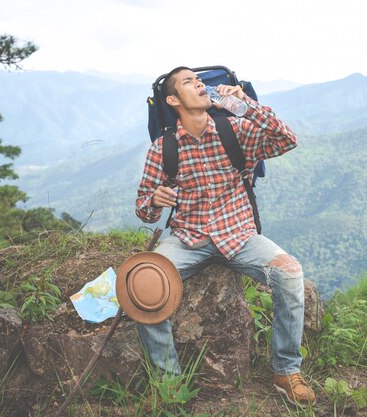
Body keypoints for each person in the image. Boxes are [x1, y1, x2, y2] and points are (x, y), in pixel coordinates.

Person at [134, 66, 315, 406]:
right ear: (173, 100)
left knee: (289, 271)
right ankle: (169, 383)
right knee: (146, 284)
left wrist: (247, 103)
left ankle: (286, 370)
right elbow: (144, 210)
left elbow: (287, 140)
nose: (199, 84)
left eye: (199, 80)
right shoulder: (163, 148)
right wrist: (154, 200)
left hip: (239, 235)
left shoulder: (234, 130)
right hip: (188, 237)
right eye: (188, 82)